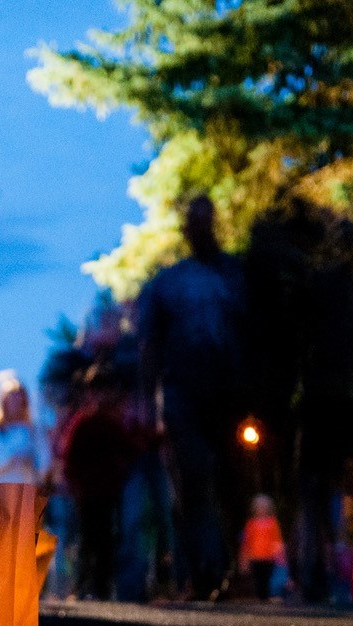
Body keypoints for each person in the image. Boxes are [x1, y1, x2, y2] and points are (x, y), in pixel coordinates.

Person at [136, 195, 247, 599]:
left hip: (227, 397)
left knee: (229, 482)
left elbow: (255, 334)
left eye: (205, 219)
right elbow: (149, 348)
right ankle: (200, 572)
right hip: (185, 396)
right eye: (193, 220)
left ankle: (225, 566)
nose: (200, 226)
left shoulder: (235, 277)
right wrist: (149, 403)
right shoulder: (168, 284)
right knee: (193, 483)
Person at [239, 494, 289, 601]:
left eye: (264, 507)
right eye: (259, 507)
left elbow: (277, 539)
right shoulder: (251, 523)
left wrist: (280, 554)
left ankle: (266, 596)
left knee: (267, 577)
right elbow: (247, 541)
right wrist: (244, 557)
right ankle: (259, 597)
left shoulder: (273, 522)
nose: (261, 510)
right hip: (255, 556)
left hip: (269, 557)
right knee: (258, 578)